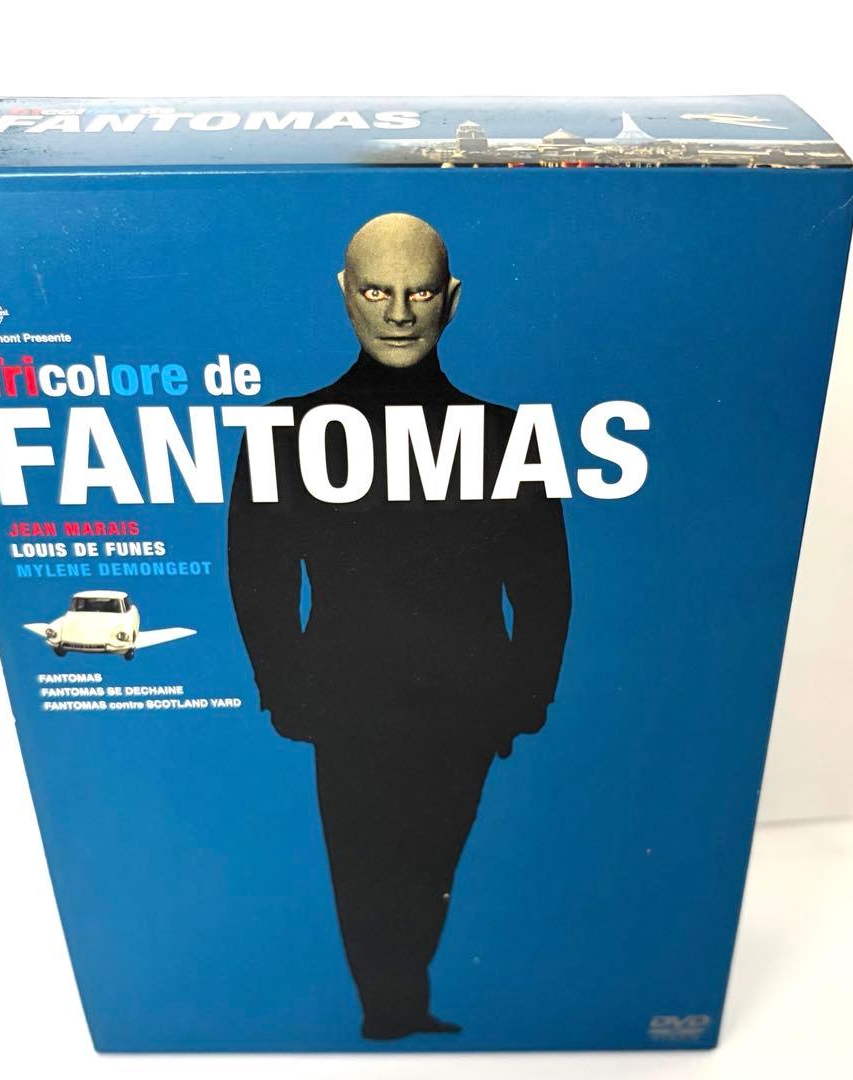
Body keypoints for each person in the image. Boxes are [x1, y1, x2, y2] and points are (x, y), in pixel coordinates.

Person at [228, 213, 571, 1040]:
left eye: (419, 292)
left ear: (451, 300)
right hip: (344, 697)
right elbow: (257, 574)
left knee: (432, 860)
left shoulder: (508, 435)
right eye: (378, 291)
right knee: (362, 862)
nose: (399, 312)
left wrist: (528, 696)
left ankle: (400, 1002)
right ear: (345, 294)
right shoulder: (285, 429)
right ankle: (389, 1009)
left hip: (467, 701)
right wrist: (283, 688)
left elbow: (546, 587)